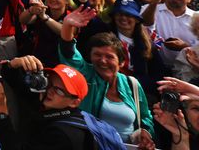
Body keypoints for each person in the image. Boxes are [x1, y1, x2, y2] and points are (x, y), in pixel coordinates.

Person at [58, 8, 156, 147]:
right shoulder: (87, 76)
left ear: (121, 62)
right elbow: (69, 54)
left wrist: (146, 133)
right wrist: (67, 25)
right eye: (97, 55)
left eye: (109, 57)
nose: (103, 61)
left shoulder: (132, 84)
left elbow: (145, 117)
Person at [0, 58, 95, 150]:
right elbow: (14, 80)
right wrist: (14, 63)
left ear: (74, 103)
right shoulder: (50, 102)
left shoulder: (63, 135)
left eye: (60, 91)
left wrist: (1, 108)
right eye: (49, 83)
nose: (50, 91)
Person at [141, 0, 197, 68]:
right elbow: (145, 24)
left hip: (189, 70)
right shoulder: (150, 8)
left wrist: (185, 47)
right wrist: (154, 1)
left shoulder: (197, 18)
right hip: (155, 67)